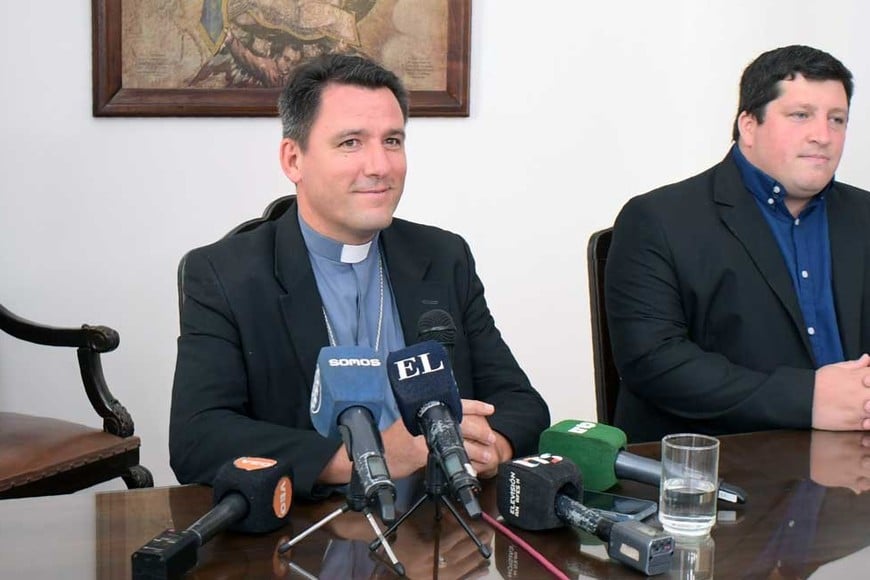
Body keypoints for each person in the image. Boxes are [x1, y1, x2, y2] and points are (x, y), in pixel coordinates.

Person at [169, 54, 550, 498]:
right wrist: (360, 459)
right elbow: (198, 439)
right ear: (294, 159)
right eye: (351, 142)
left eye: (392, 141)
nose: (380, 166)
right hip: (306, 531)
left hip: (438, 529)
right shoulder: (224, 274)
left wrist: (494, 446)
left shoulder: (443, 256)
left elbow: (522, 403)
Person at [606, 45, 870, 443]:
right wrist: (808, 397)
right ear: (749, 125)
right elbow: (655, 363)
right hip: (722, 467)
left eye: (837, 120)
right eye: (801, 116)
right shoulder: (658, 219)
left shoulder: (864, 214)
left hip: (855, 457)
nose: (823, 136)